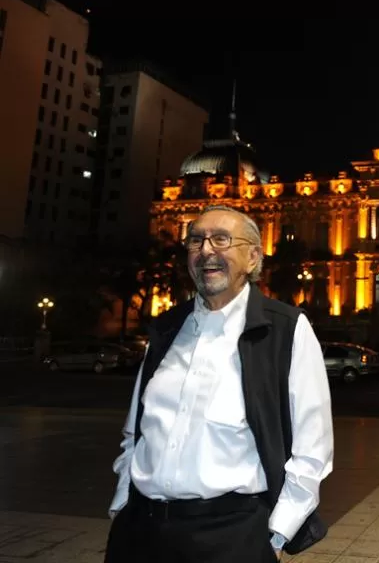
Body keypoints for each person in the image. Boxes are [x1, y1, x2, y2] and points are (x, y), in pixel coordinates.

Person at [104, 205, 334, 563]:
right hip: (140, 532)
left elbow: (312, 450)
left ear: (253, 256)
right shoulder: (166, 329)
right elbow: (136, 430)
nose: (206, 250)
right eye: (196, 241)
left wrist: (277, 533)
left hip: (230, 536)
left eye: (221, 239)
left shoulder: (285, 329)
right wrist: (122, 501)